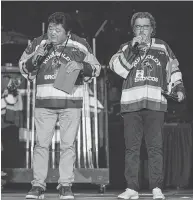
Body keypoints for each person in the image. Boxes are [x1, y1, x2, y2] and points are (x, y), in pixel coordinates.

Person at [19, 12, 101, 199]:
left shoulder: (80, 43)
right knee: (40, 145)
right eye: (50, 29)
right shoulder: (38, 43)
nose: (52, 33)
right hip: (43, 104)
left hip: (70, 103)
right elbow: (23, 67)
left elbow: (96, 68)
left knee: (68, 145)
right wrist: (35, 58)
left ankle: (65, 185)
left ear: (68, 32)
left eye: (57, 30)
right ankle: (38, 186)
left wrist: (81, 65)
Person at [109, 12, 185, 199]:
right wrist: (133, 49)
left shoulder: (162, 47)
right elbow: (117, 68)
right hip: (131, 104)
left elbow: (173, 69)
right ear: (133, 29)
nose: (142, 30)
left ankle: (156, 187)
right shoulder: (126, 47)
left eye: (145, 26)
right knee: (132, 149)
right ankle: (132, 188)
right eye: (138, 27)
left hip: (155, 103)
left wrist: (179, 87)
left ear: (152, 28)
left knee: (155, 147)